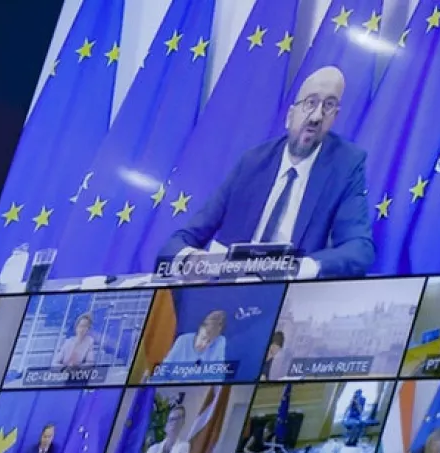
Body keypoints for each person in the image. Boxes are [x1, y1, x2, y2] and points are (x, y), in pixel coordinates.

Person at [160, 66, 374, 279]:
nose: (317, 116)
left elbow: (359, 250)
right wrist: (191, 259)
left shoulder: (345, 165)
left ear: (335, 117)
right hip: (229, 294)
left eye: (328, 106)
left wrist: (299, 268)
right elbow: (179, 242)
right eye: (310, 103)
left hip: (292, 298)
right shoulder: (253, 163)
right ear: (290, 115)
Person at [160, 310, 227, 366]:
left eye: (209, 341)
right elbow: (163, 369)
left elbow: (218, 375)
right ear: (199, 329)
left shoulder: (219, 343)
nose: (204, 344)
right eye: (203, 338)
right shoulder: (182, 340)